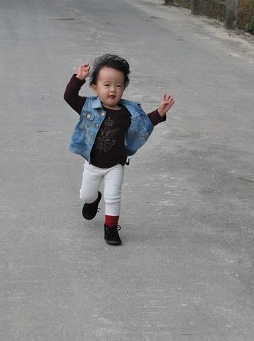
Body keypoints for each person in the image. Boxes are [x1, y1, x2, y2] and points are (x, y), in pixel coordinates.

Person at [64, 54, 175, 246]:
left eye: (118, 85)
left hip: (115, 165)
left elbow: (143, 126)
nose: (112, 90)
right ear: (95, 88)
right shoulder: (88, 106)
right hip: (93, 164)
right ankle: (93, 200)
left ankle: (111, 229)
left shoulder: (127, 113)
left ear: (124, 88)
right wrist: (78, 78)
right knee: (86, 195)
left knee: (113, 197)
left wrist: (159, 113)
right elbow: (69, 97)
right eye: (106, 85)